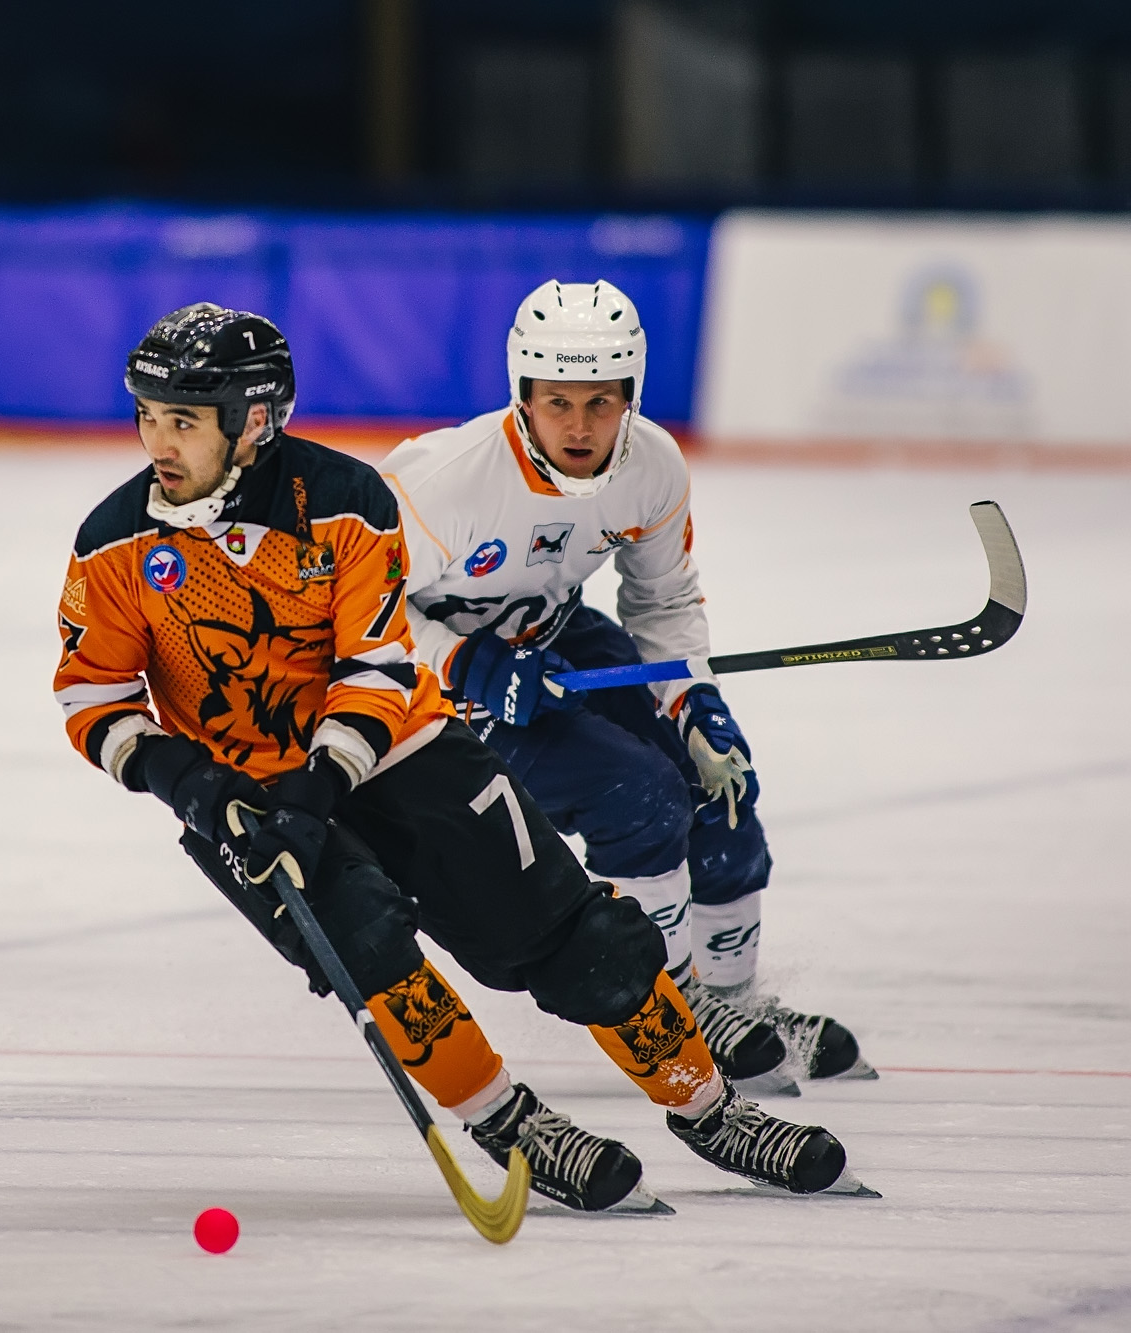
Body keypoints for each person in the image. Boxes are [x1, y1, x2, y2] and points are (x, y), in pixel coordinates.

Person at [52, 302, 857, 1210]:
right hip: (249, 804)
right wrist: (197, 788)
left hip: (405, 754)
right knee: (375, 955)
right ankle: (511, 1122)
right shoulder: (114, 540)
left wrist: (316, 784)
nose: (159, 439)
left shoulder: (350, 502)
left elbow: (380, 666)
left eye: (185, 419)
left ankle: (708, 1107)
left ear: (255, 419)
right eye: (149, 415)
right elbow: (93, 696)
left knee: (576, 933)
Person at [380, 279, 869, 1085]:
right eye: (558, 402)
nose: (579, 426)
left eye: (601, 403)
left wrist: (694, 701)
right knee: (635, 793)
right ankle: (672, 1008)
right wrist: (465, 662)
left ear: (630, 398)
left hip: (553, 637)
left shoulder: (653, 468)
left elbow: (663, 597)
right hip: (437, 690)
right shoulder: (441, 484)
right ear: (523, 395)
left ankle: (735, 1001)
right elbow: (355, 613)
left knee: (719, 787)